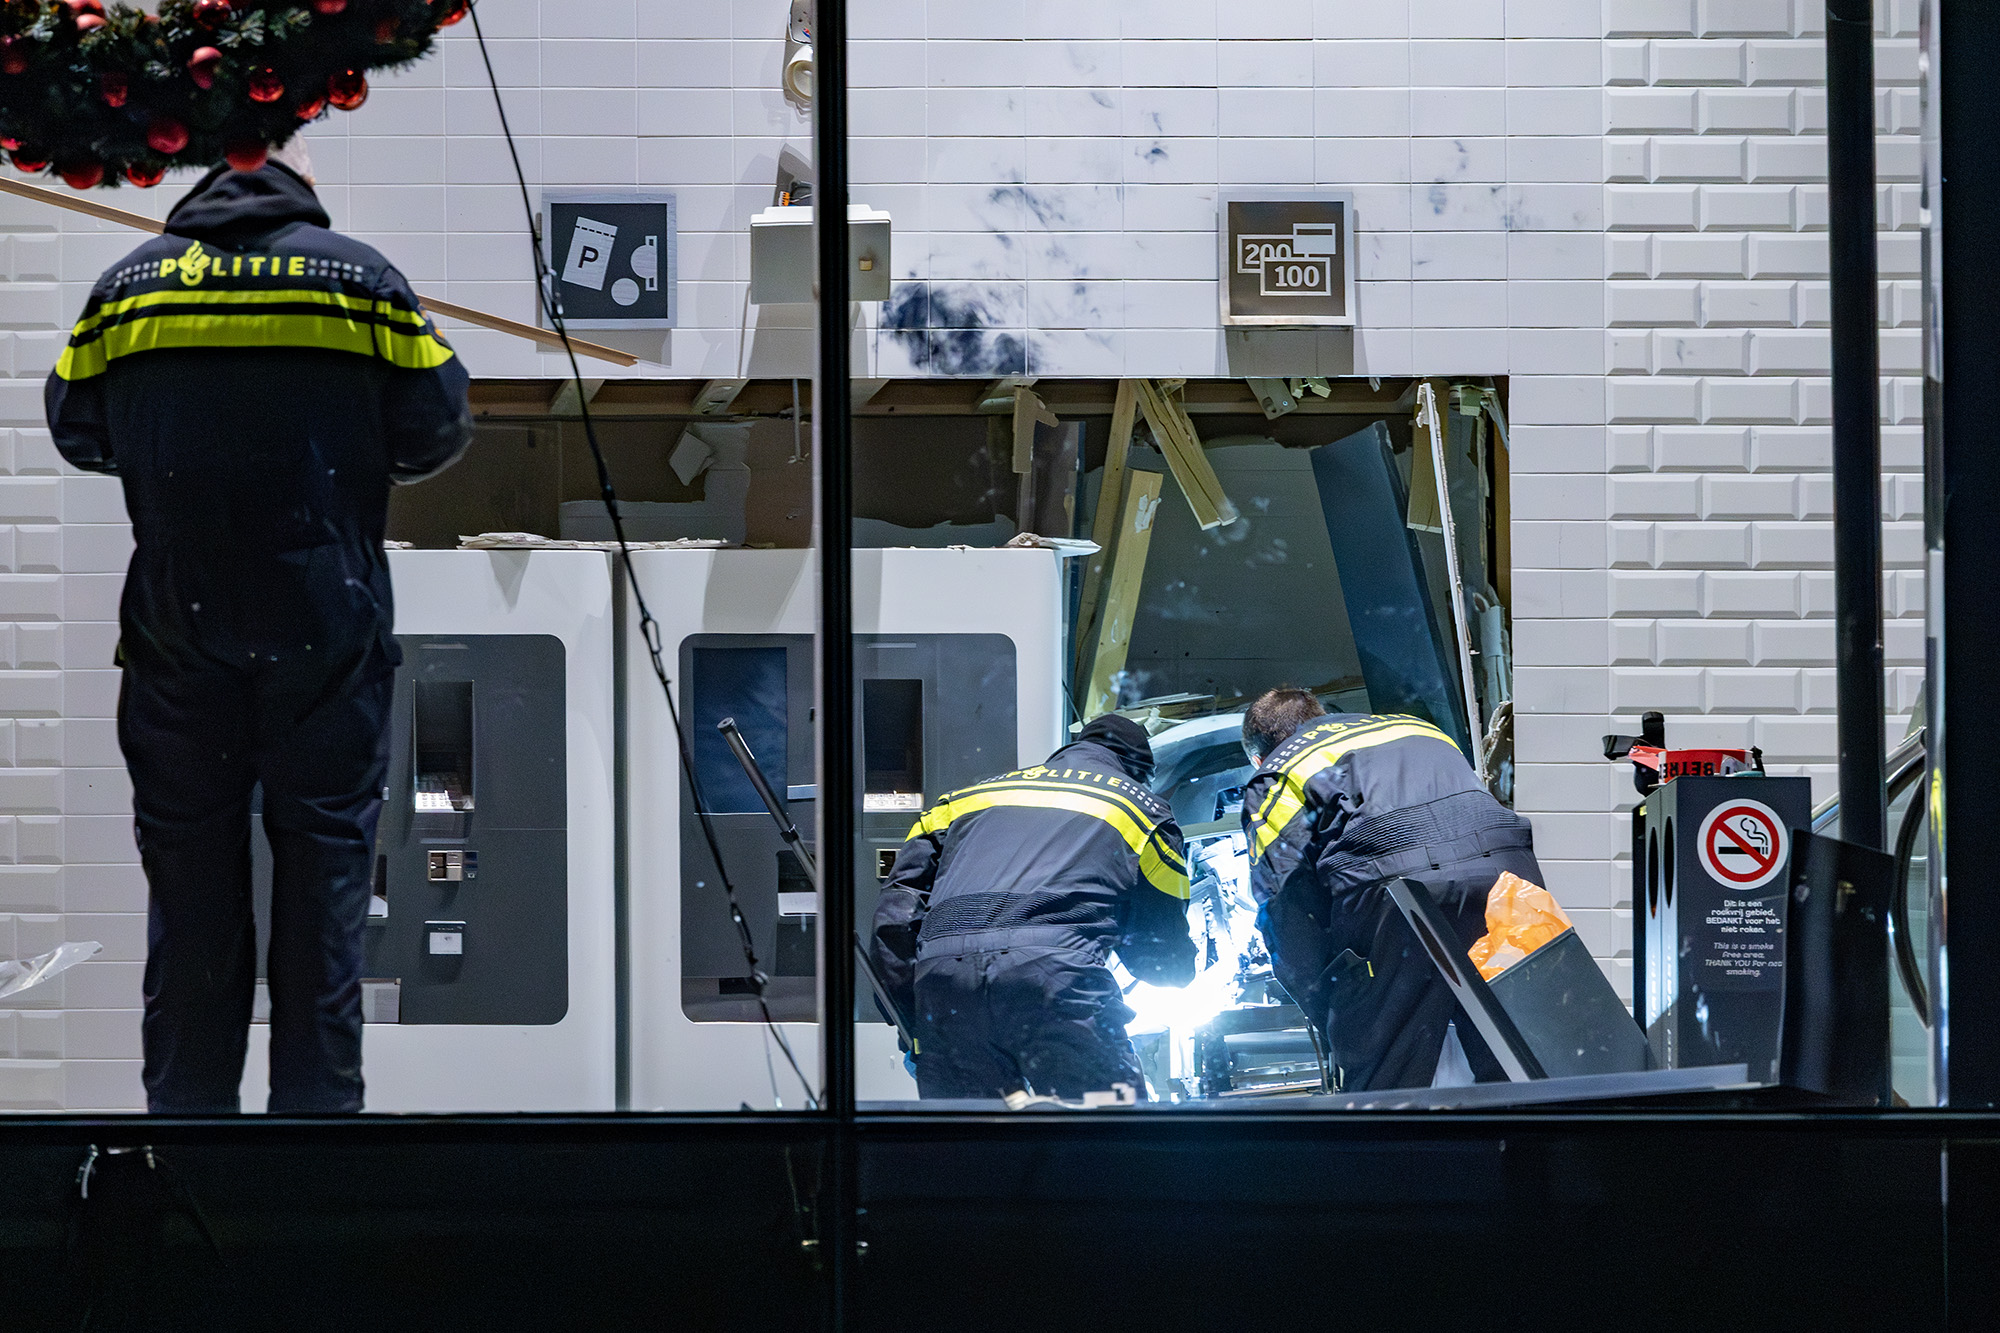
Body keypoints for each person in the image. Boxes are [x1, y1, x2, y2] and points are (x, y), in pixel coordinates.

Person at [45, 140, 472, 1113]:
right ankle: (309, 1169)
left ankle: (187, 1159)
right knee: (325, 906)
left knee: (190, 905)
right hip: (327, 629)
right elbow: (439, 426)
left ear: (206, 176)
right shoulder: (361, 282)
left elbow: (79, 429)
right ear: (302, 183)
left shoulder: (127, 291)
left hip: (177, 633)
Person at [872, 714, 1195, 1100]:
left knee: (966, 1137)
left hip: (944, 988)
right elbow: (1160, 952)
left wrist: (911, 1018)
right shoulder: (1144, 810)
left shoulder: (960, 801)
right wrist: (1178, 973)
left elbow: (895, 918)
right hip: (1057, 985)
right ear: (1141, 772)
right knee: (1106, 1130)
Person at [1238, 689, 1544, 1093]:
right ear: (1322, 716)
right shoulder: (1415, 727)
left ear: (1258, 758)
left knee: (1387, 1081)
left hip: (1399, 897)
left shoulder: (1277, 773)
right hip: (1508, 876)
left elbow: (1287, 909)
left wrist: (1330, 1006)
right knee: (1530, 1051)